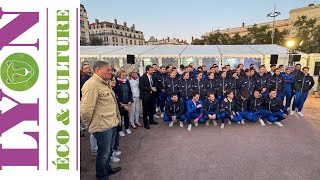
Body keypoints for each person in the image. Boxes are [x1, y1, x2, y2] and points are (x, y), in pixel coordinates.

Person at [81, 61, 121, 180]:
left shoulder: (105, 83)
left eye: (110, 70)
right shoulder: (92, 85)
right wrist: (90, 125)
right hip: (102, 127)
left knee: (108, 151)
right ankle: (102, 176)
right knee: (103, 154)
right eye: (107, 70)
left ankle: (107, 169)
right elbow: (85, 110)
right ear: (97, 71)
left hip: (111, 123)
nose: (110, 72)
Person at [114, 71, 133, 136]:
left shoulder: (127, 82)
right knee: (120, 117)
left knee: (126, 116)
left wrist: (130, 100)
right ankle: (120, 130)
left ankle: (127, 128)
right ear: (119, 75)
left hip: (127, 102)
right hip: (120, 103)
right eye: (123, 75)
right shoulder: (116, 82)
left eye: (125, 75)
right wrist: (120, 102)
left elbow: (130, 91)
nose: (124, 76)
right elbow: (115, 93)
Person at [139, 65, 159, 129]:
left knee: (151, 108)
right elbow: (141, 87)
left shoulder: (153, 76)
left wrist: (155, 88)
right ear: (147, 71)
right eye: (151, 70)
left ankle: (151, 120)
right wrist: (150, 88)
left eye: (152, 70)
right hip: (145, 96)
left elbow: (155, 83)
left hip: (152, 95)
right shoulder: (142, 77)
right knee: (145, 110)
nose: (152, 71)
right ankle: (146, 123)